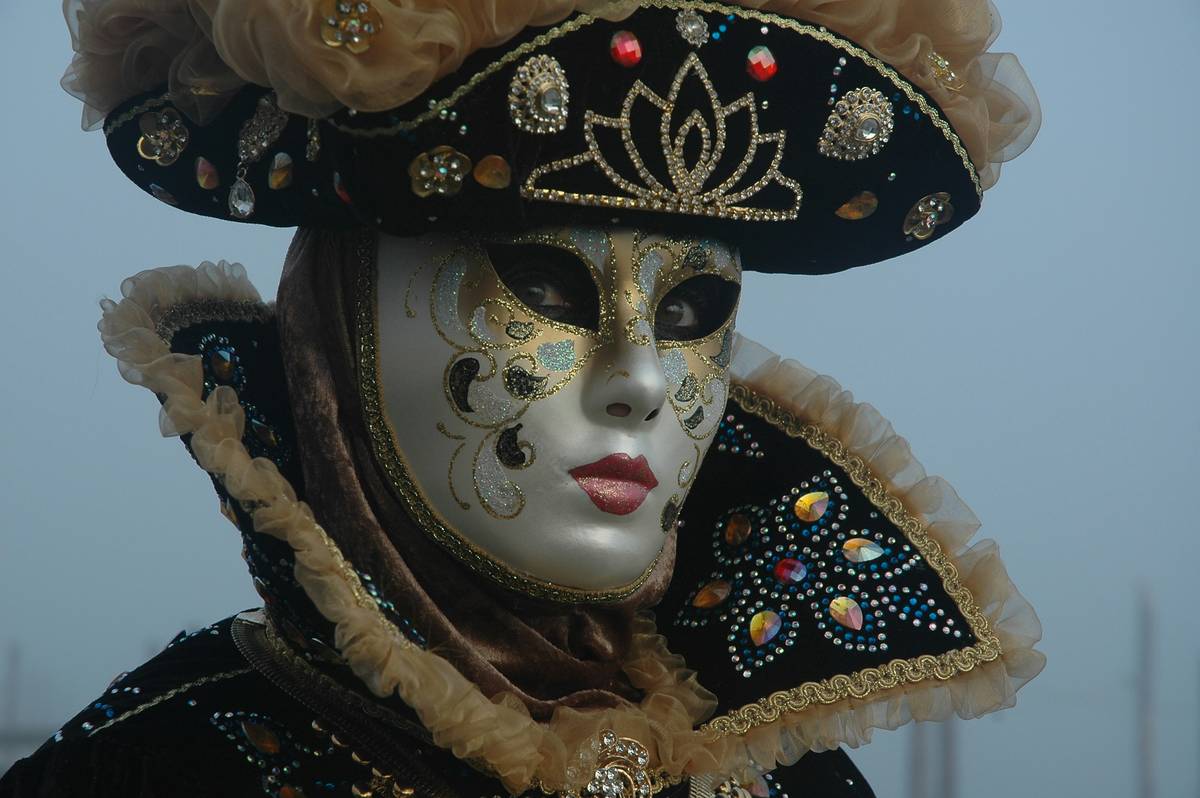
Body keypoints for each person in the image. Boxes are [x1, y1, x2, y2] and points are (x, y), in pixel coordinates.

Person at [1, 2, 1045, 796]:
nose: (639, 383)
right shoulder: (157, 768)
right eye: (547, 289)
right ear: (341, 321)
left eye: (691, 309)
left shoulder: (788, 781)